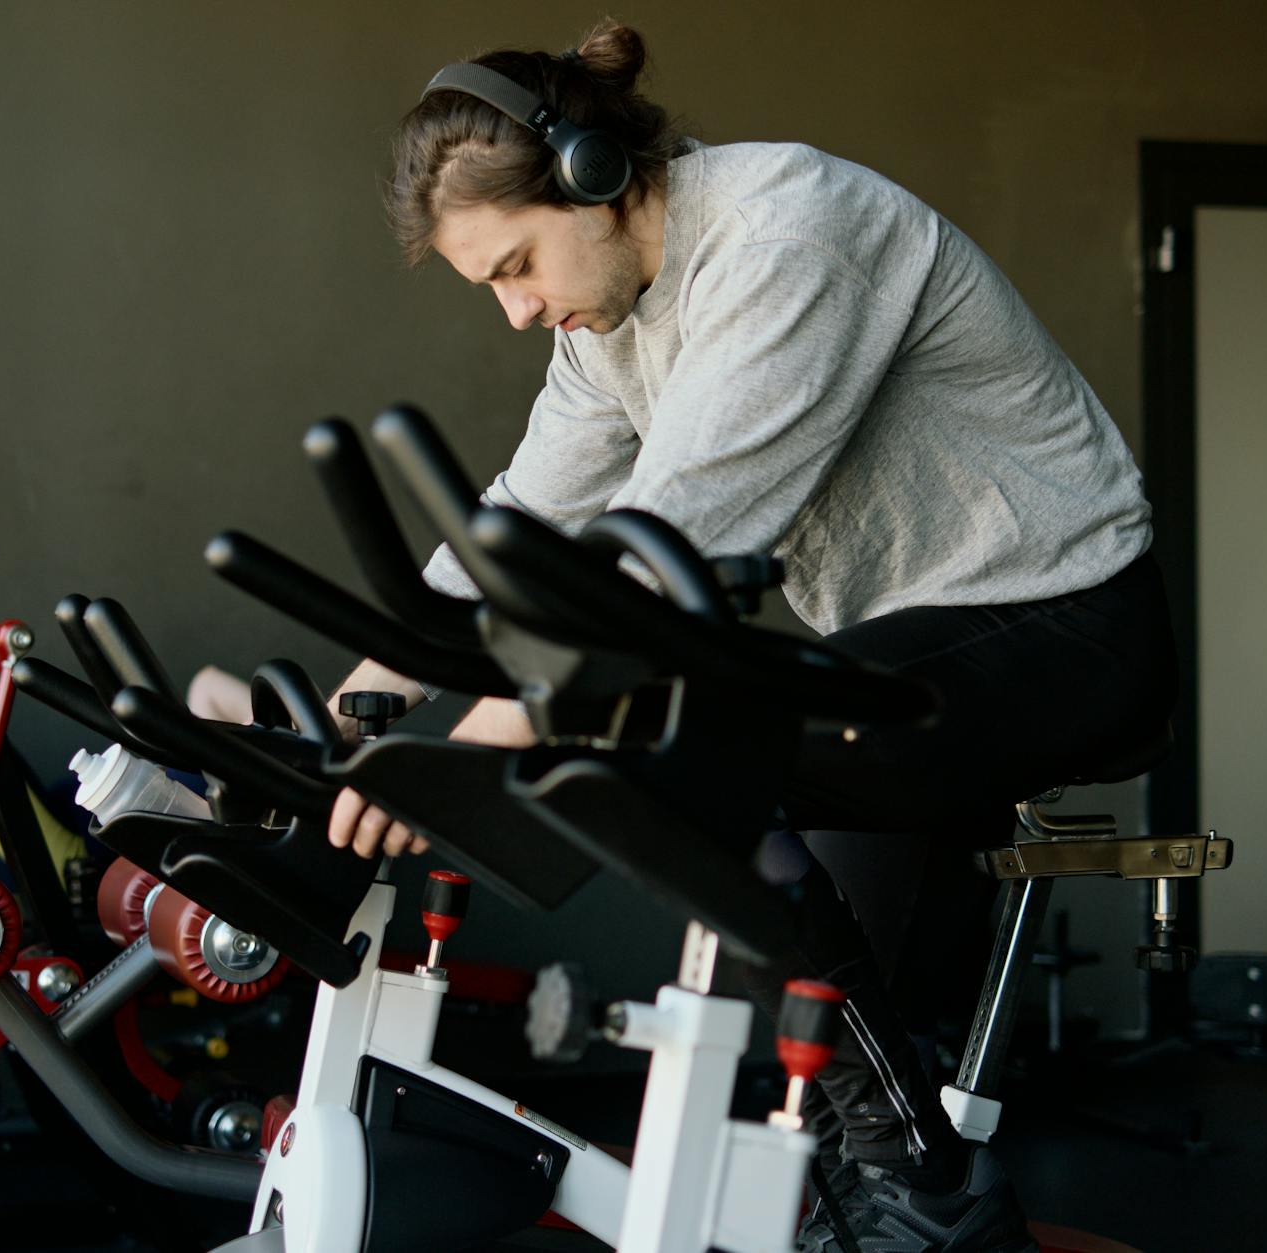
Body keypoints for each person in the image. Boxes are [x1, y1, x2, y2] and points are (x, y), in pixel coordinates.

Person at [320, 19, 1179, 1253]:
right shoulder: (604, 323)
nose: (515, 311)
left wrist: (484, 731)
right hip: (902, 647)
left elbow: (664, 537)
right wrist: (364, 696)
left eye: (514, 265)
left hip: (1064, 624)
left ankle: (924, 1186)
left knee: (674, 748)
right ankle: (879, 1186)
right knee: (797, 1009)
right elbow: (525, 523)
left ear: (590, 178)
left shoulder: (788, 231)